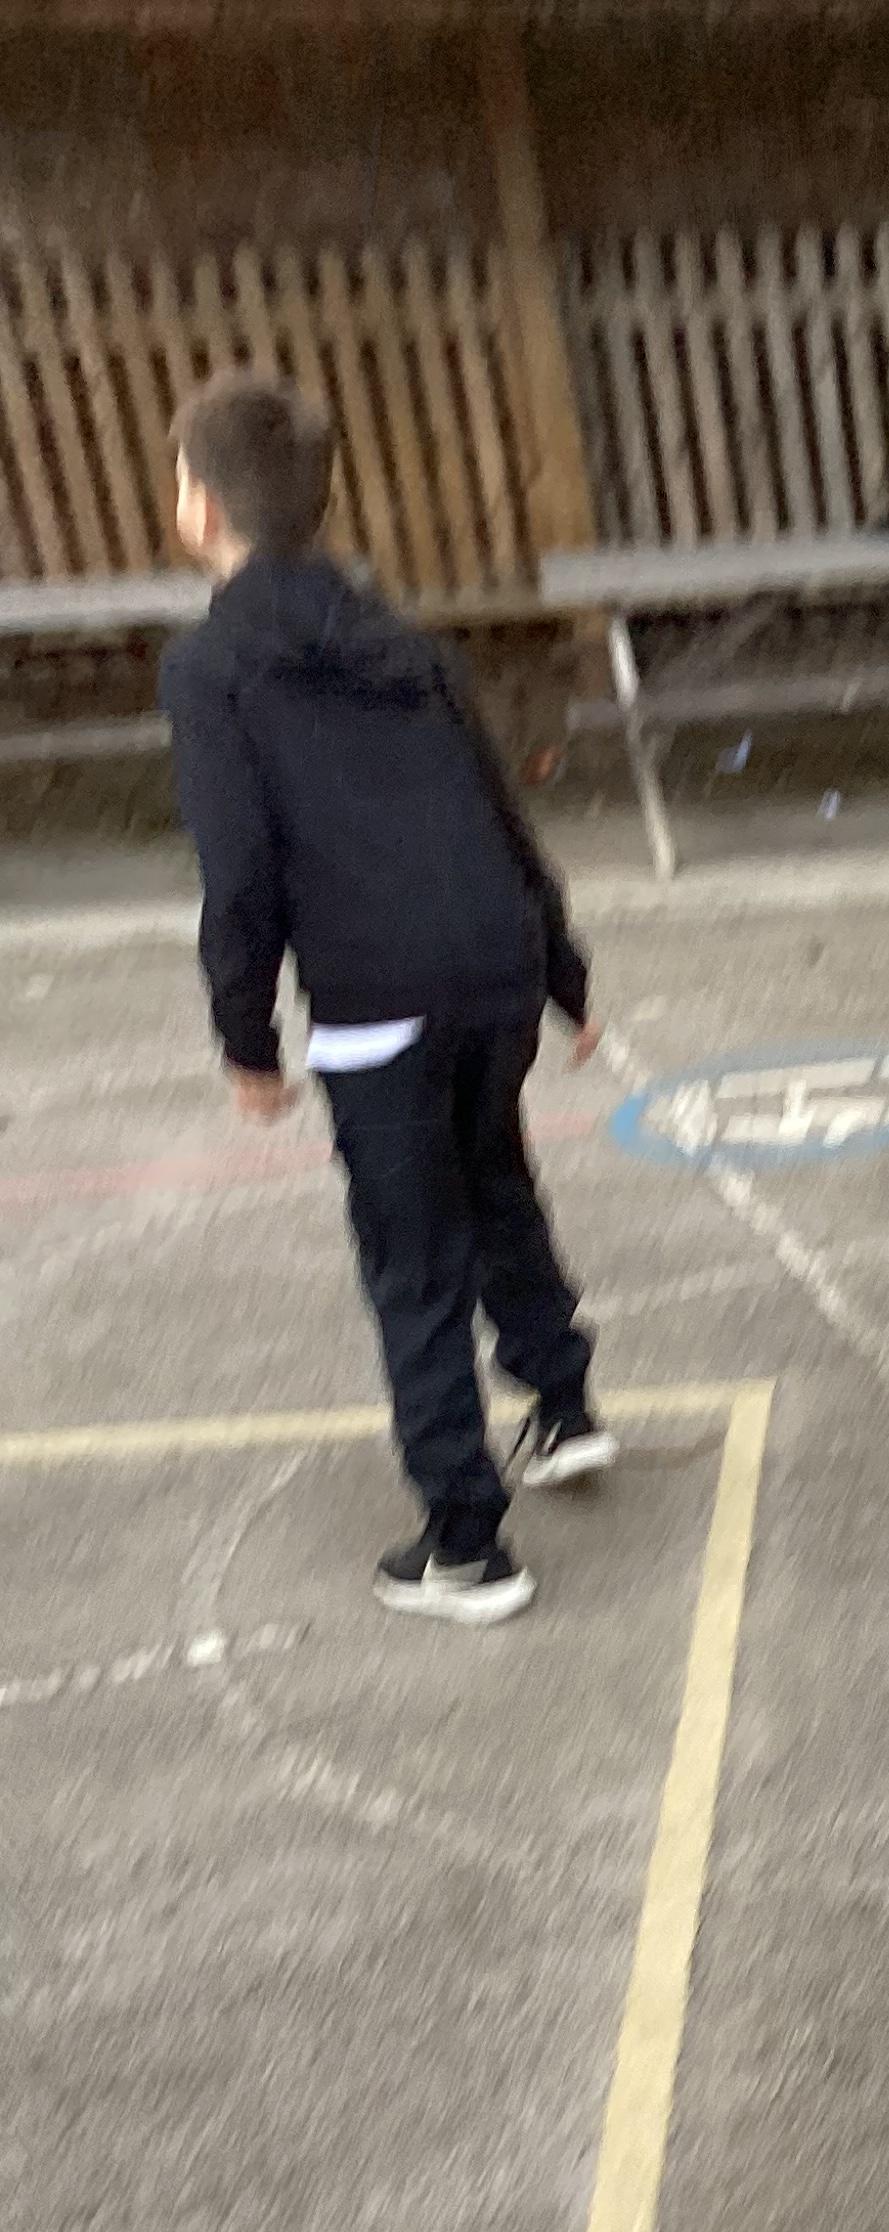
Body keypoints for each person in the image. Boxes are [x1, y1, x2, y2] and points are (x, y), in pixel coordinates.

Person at [162, 371, 615, 1627]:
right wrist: (561, 971)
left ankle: (466, 1544)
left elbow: (238, 871)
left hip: (380, 1000)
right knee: (494, 1178)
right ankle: (563, 1403)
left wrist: (245, 1037)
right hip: (492, 964)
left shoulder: (211, 669)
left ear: (201, 507)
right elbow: (499, 812)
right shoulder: (408, 644)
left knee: (413, 1259)